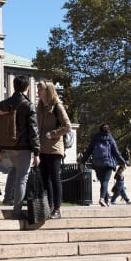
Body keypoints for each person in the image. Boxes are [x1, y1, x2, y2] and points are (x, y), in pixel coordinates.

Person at [0, 75, 40, 220]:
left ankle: (7, 198)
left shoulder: (2, 104)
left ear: (13, 86)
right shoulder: (28, 105)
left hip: (7, 146)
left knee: (13, 171)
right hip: (23, 147)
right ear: (27, 87)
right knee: (22, 179)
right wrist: (37, 152)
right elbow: (33, 130)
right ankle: (17, 211)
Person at [36, 80, 71, 219]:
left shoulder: (57, 106)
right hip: (43, 149)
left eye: (40, 89)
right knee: (45, 180)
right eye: (37, 89)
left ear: (48, 91)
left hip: (55, 149)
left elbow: (67, 126)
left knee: (55, 178)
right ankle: (48, 207)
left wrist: (53, 134)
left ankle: (57, 209)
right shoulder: (40, 107)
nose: (38, 91)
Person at [78, 124, 127, 207]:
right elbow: (116, 152)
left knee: (102, 182)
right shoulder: (110, 138)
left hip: (97, 164)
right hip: (108, 163)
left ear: (99, 130)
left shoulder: (95, 138)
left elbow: (88, 151)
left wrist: (82, 162)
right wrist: (123, 162)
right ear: (108, 130)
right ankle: (102, 198)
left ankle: (106, 201)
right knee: (105, 181)